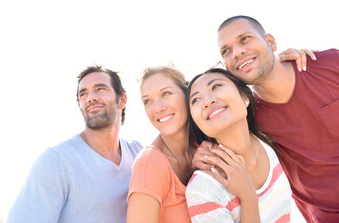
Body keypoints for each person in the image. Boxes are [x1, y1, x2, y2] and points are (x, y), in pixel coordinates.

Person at [195, 15, 339, 222]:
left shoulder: (329, 64)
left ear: (270, 42)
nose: (237, 52)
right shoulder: (249, 118)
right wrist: (199, 151)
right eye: (226, 51)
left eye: (245, 39)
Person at [6, 65, 142, 223]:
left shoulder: (138, 153)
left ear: (122, 99)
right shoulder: (56, 161)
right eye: (83, 94)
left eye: (100, 89)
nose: (90, 97)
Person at [186, 68, 292, 222]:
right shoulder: (203, 189)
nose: (208, 101)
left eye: (216, 86)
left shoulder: (268, 137)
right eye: (196, 100)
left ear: (245, 98)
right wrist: (248, 197)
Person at [127, 66, 197, 223]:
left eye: (166, 93)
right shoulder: (149, 164)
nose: (158, 108)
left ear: (187, 94)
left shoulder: (205, 145)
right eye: (147, 101)